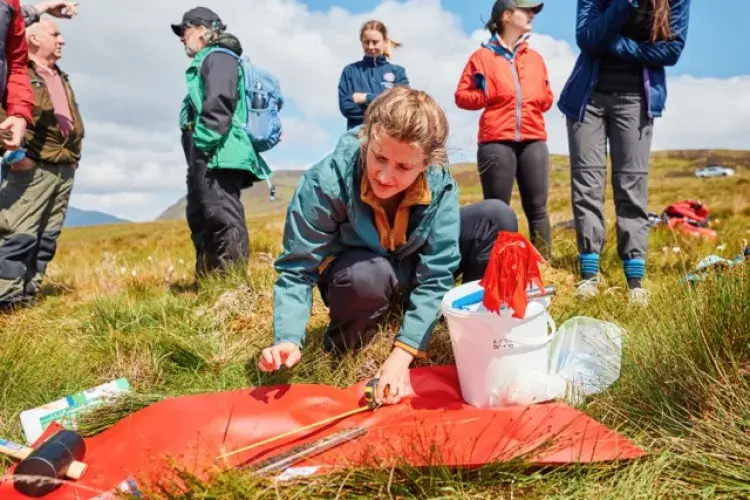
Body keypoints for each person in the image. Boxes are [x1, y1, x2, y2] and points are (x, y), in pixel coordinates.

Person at [257, 87, 519, 405]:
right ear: (367, 138)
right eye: (379, 157)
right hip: (359, 274)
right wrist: (288, 338)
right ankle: (346, 348)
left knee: (496, 216)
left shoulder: (439, 181)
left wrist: (402, 354)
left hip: (409, 268)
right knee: (369, 276)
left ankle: (472, 334)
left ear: (426, 163)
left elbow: (438, 272)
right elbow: (298, 269)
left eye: (403, 167)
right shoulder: (325, 181)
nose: (384, 175)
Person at [557, 0, 692, 304]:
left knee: (632, 186)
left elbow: (671, 52)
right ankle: (589, 276)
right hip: (587, 99)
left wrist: (616, 44)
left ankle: (635, 282)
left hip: (635, 100)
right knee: (587, 185)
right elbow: (588, 40)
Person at [172, 7, 270, 278]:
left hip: (219, 151)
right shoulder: (209, 58)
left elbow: (219, 104)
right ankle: (209, 282)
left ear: (202, 29)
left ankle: (232, 286)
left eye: (185, 29)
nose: (182, 37)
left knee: (222, 215)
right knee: (202, 216)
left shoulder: (219, 57)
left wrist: (203, 143)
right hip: (210, 150)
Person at [455, 0, 553, 260]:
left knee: (538, 209)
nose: (532, 15)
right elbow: (461, 96)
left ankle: (544, 268)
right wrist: (487, 94)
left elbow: (547, 96)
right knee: (498, 209)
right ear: (507, 16)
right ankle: (502, 267)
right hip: (495, 140)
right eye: (527, 10)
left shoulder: (535, 58)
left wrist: (539, 98)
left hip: (534, 138)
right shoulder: (482, 57)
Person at [0, 17, 84, 310]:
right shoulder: (18, 72)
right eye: (55, 34)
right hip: (30, 167)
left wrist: (72, 160)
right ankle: (6, 302)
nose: (62, 40)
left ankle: (26, 298)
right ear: (33, 39)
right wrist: (15, 156)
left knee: (46, 238)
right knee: (17, 235)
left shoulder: (59, 75)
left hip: (62, 167)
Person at [337, 20, 409, 130]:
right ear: (361, 42)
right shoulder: (350, 71)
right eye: (366, 42)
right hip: (358, 140)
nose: (370, 47)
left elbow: (402, 107)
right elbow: (346, 107)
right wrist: (385, 106)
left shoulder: (398, 72)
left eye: (375, 42)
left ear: (384, 41)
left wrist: (366, 98)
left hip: (389, 138)